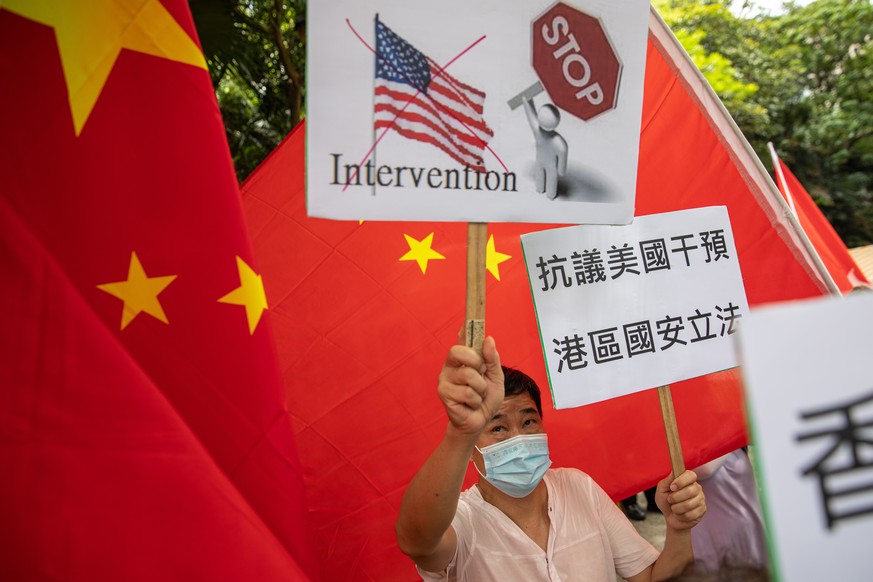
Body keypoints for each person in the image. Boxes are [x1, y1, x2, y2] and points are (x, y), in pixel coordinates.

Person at [395, 337, 707, 581]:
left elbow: (653, 577)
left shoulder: (579, 487)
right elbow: (417, 542)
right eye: (498, 427)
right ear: (471, 447)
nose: (519, 438)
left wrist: (678, 529)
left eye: (529, 422)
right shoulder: (462, 521)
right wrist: (460, 432)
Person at [687, 449, 769, 579]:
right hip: (714, 537)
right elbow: (703, 469)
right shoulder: (721, 443)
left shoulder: (732, 446)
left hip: (743, 530)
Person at [523, 95, 567, 200]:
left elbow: (531, 116)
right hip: (551, 166)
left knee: (540, 177)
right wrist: (561, 170)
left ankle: (540, 188)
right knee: (551, 178)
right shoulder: (559, 142)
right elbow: (562, 169)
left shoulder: (537, 131)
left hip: (540, 162)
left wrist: (526, 99)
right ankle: (550, 194)